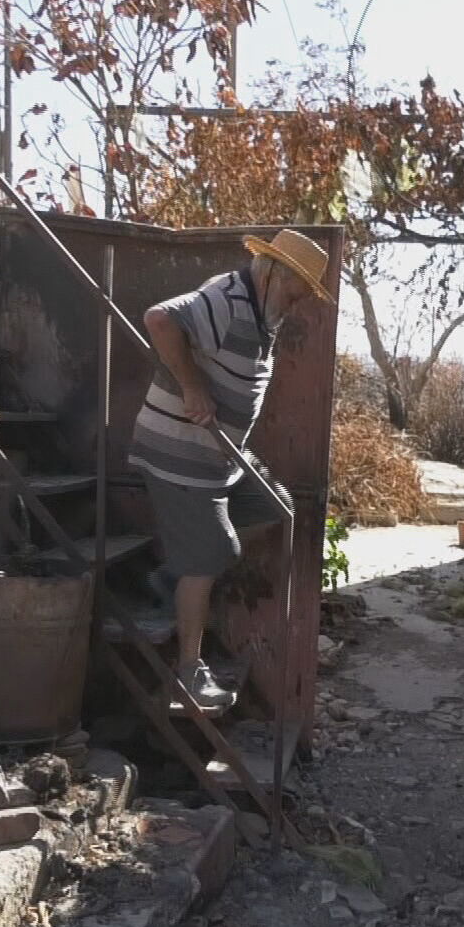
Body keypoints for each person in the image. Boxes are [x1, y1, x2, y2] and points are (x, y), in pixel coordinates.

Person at [128, 229, 333, 713]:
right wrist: (192, 387)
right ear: (275, 271)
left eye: (306, 292)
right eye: (297, 288)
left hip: (220, 454)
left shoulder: (265, 313)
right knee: (214, 552)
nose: (300, 299)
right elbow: (159, 319)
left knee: (275, 505)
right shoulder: (227, 297)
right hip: (179, 451)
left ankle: (169, 578)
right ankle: (188, 675)